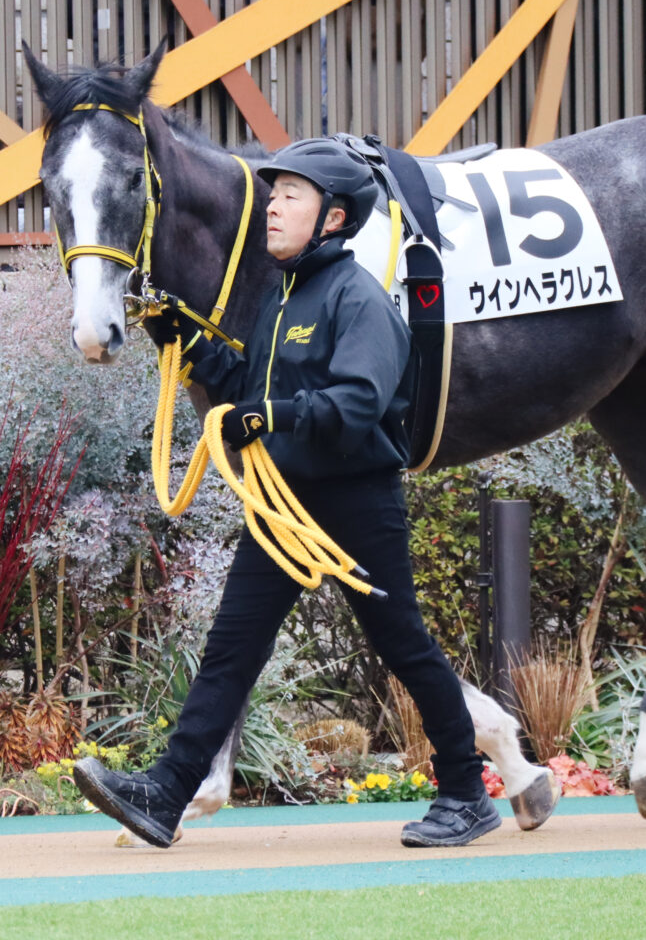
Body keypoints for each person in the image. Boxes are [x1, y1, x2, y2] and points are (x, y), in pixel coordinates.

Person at [74, 139, 500, 849]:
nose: (272, 206)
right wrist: (175, 330)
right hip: (284, 504)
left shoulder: (357, 299)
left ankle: (465, 792)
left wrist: (268, 418)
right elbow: (247, 387)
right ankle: (165, 793)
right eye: (273, 195)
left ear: (332, 218)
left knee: (405, 648)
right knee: (231, 649)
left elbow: (357, 403)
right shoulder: (286, 295)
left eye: (290, 197)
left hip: (355, 504)